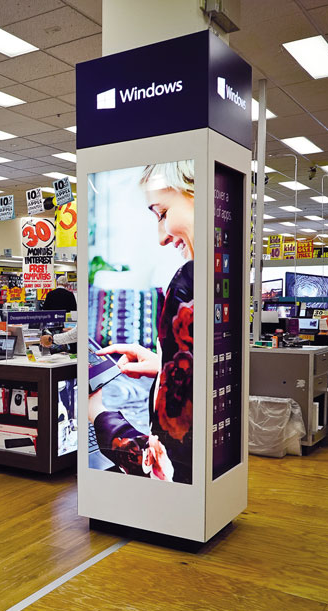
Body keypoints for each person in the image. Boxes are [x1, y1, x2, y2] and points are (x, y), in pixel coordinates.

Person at [88, 160, 195, 484]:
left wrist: (98, 414)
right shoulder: (214, 280)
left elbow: (162, 465)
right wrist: (166, 366)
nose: (161, 237)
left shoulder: (187, 285)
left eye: (162, 213)